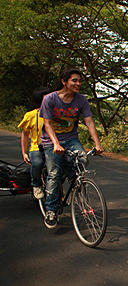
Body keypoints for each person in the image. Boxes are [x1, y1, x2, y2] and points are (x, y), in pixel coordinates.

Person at [39, 68, 104, 227]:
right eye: (74, 80)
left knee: (82, 159)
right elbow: (47, 124)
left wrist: (97, 143)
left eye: (79, 81)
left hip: (71, 138)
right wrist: (55, 143)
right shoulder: (50, 99)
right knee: (54, 174)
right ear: (64, 81)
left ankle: (73, 184)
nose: (78, 84)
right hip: (51, 140)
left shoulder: (81, 100)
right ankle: (51, 210)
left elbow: (89, 122)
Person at [17, 87, 53, 199]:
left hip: (52, 147)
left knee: (60, 167)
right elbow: (25, 135)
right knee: (37, 163)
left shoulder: (55, 114)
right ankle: (36, 185)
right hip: (36, 147)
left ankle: (57, 187)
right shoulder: (30, 115)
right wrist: (24, 152)